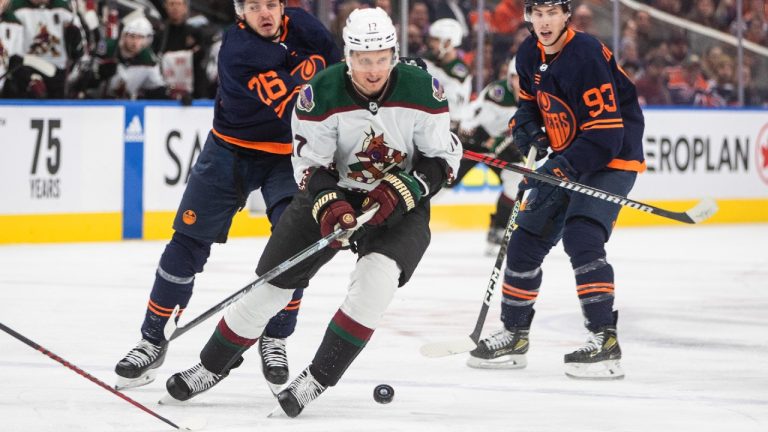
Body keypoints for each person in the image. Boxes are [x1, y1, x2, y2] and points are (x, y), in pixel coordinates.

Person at [162, 7, 461, 417]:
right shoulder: (318, 94)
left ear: (393, 53)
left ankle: (316, 378)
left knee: (376, 283)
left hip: (398, 204)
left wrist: (406, 187)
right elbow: (309, 167)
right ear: (348, 56)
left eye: (381, 58)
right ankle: (210, 366)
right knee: (270, 285)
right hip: (334, 192)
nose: (373, 70)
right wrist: (330, 203)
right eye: (363, 59)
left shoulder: (423, 91)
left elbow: (441, 159)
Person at [113, 0, 341, 392]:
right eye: (254, 7)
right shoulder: (239, 52)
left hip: (290, 156)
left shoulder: (309, 28)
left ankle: (275, 336)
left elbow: (344, 75)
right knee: (187, 243)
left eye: (271, 3)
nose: (265, 13)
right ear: (240, 13)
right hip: (231, 150)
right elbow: (299, 107)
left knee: (294, 245)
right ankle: (153, 337)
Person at [467, 0, 645, 380]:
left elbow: (606, 137)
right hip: (571, 155)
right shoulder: (529, 52)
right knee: (524, 240)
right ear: (528, 16)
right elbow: (529, 105)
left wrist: (558, 167)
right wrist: (525, 127)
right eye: (538, 13)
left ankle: (604, 340)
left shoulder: (586, 55)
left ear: (567, 15)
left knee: (582, 236)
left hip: (611, 159)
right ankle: (514, 334)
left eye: (553, 13)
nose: (545, 22)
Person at [457, 57, 524, 254]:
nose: (520, 83)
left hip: (505, 149)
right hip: (476, 144)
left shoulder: (539, 98)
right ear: (510, 77)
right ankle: (409, 216)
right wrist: (478, 138)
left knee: (516, 180)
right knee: (445, 181)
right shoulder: (497, 93)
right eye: (516, 78)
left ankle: (498, 229)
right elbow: (469, 122)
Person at [422, 18, 472, 132]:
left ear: (448, 43)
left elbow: (453, 112)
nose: (431, 44)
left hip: (448, 128)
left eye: (436, 40)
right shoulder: (427, 60)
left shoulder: (458, 74)